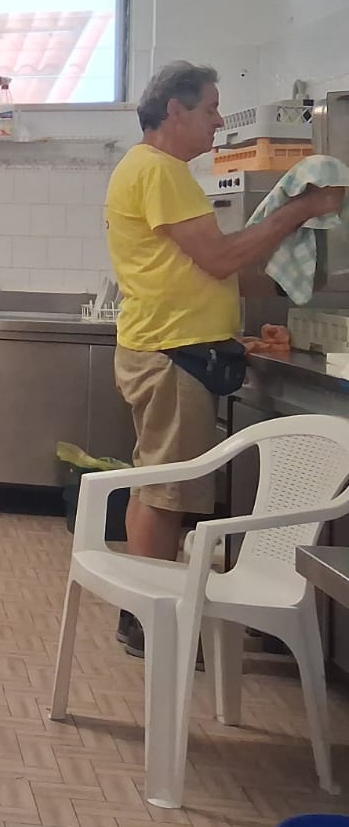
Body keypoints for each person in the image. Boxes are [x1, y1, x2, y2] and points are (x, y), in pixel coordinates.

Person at [106, 61, 344, 656]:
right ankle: (150, 623)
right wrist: (299, 211)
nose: (218, 122)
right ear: (175, 110)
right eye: (210, 109)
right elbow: (219, 259)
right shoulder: (159, 170)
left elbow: (207, 271)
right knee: (165, 495)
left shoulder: (153, 170)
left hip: (168, 344)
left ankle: (141, 613)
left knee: (154, 485)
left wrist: (266, 301)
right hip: (171, 352)